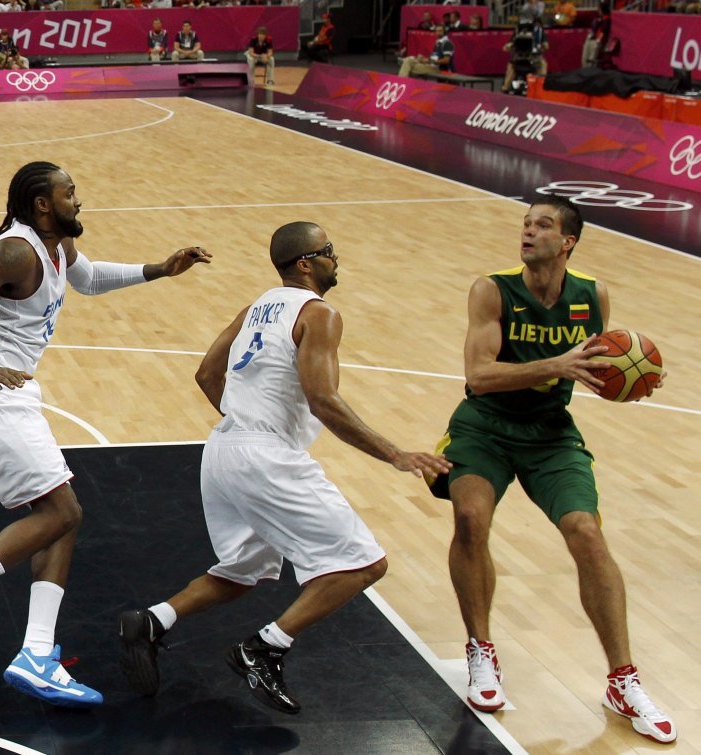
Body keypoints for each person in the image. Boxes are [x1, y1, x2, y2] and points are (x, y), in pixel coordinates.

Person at [0, 161, 211, 707]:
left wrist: (160, 269)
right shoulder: (16, 252)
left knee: (60, 515)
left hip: (8, 391)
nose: (77, 200)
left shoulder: (57, 246)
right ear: (43, 204)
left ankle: (36, 654)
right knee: (61, 513)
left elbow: (88, 279)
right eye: (69, 192)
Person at [117, 222, 451, 714]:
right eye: (329, 250)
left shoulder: (256, 307)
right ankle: (265, 647)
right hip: (264, 457)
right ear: (306, 263)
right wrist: (395, 454)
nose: (337, 258)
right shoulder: (320, 314)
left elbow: (207, 373)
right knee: (363, 564)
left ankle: (153, 620)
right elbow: (323, 401)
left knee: (244, 570)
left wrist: (245, 421)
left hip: (223, 449)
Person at [426, 196, 676, 745]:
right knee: (470, 518)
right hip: (484, 426)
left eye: (543, 225)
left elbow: (599, 365)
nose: (528, 231)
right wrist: (557, 364)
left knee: (587, 533)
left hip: (550, 431)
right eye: (526, 223)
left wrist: (632, 380)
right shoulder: (492, 290)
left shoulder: (592, 295)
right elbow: (479, 374)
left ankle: (622, 680)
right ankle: (481, 651)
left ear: (568, 242)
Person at [501, 18, 547, 94]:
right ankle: (505, 88)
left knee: (542, 64)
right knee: (511, 67)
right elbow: (506, 47)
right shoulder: (517, 34)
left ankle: (542, 87)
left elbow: (546, 46)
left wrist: (542, 46)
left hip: (534, 58)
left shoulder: (539, 33)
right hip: (518, 58)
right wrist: (509, 46)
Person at [582, 1, 611, 67]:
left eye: (599, 9)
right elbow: (593, 29)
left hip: (598, 41)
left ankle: (589, 68)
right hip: (592, 39)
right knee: (585, 53)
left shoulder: (606, 19)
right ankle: (584, 68)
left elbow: (603, 31)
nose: (598, 10)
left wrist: (598, 41)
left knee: (592, 58)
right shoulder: (597, 19)